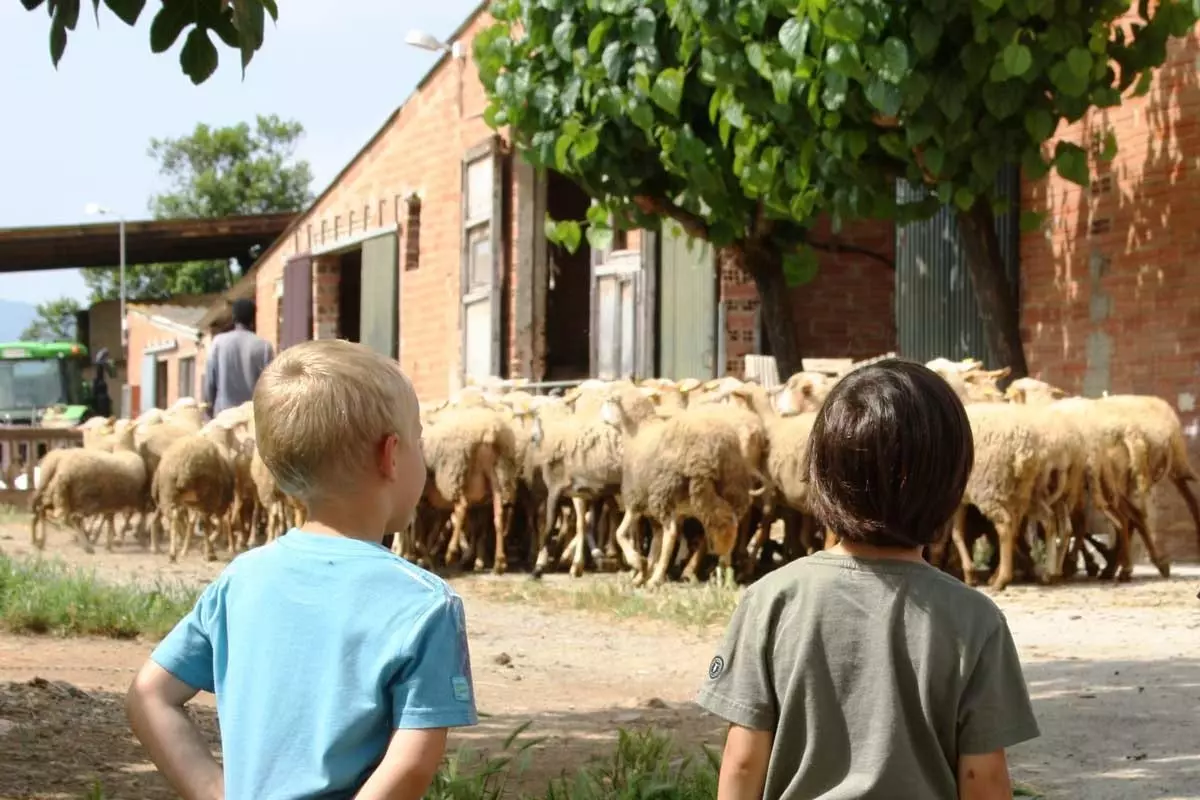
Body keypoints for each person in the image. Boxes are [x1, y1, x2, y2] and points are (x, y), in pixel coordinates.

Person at [125, 339, 477, 800]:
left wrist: (216, 791)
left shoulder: (242, 579)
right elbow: (410, 766)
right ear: (391, 455)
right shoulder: (425, 604)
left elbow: (149, 695)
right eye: (418, 441)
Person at [697, 359, 1039, 800]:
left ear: (821, 475)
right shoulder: (975, 620)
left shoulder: (770, 600)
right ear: (951, 485)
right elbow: (983, 779)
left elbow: (743, 761)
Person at [203, 297, 273, 416]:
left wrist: (209, 407)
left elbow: (210, 382)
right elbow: (269, 386)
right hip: (251, 419)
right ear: (253, 318)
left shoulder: (218, 343)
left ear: (234, 318)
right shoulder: (264, 347)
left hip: (223, 417)